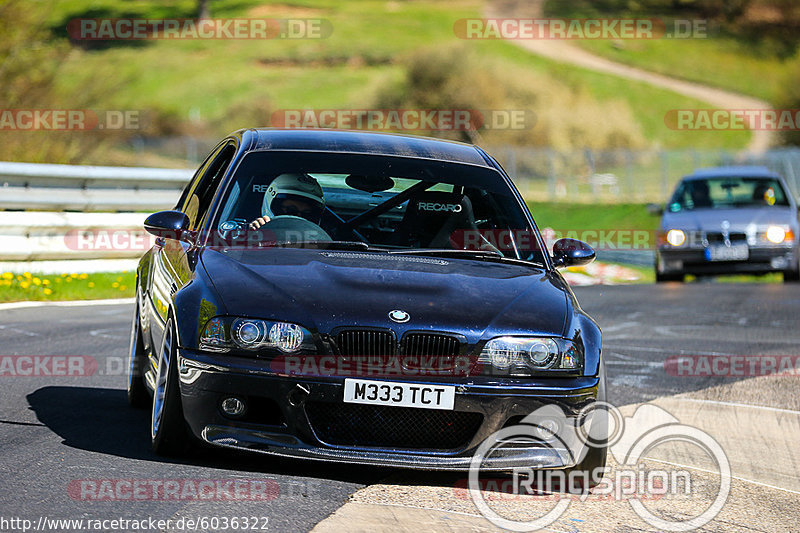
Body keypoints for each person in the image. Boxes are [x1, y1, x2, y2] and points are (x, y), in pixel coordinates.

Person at [249, 173, 325, 230]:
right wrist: (254, 235)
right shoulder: (260, 232)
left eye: (306, 214)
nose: (298, 218)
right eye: (291, 211)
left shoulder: (322, 242)